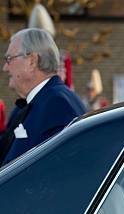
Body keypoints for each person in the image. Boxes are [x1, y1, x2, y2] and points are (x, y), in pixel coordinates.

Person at [0, 28, 85, 166]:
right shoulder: (35, 102)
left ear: (32, 61)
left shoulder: (58, 104)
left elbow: (61, 170)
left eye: (9, 59)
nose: (5, 68)